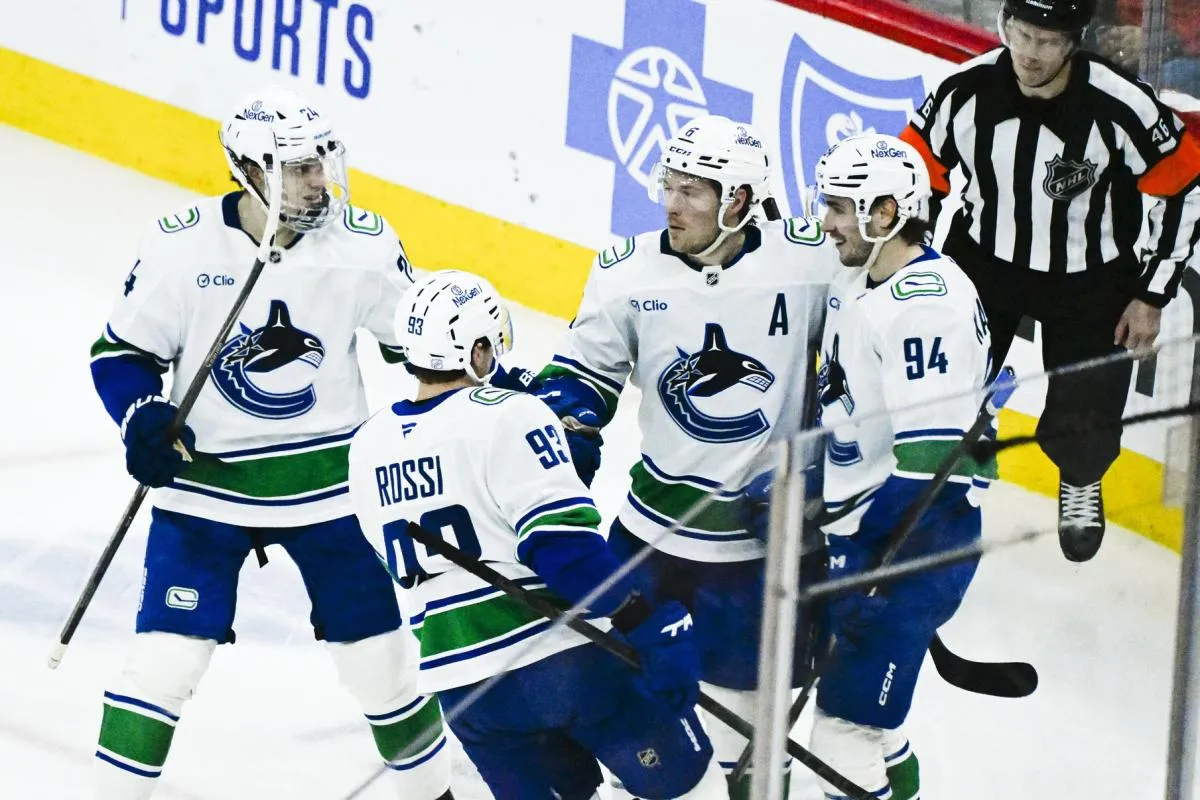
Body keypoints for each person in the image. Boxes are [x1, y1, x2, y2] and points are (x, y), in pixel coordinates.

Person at [88, 87, 452, 799]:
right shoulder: (182, 245)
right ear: (248, 172)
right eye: (297, 169)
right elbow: (120, 352)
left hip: (332, 491)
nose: (319, 181)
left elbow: (419, 342)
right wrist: (140, 417)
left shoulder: (364, 243)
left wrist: (477, 369)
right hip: (205, 490)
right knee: (163, 666)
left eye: (321, 163)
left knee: (382, 666)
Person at [534, 114, 840, 796]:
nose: (672, 203)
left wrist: (826, 475)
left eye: (694, 191)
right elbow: (582, 371)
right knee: (636, 729)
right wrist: (570, 421)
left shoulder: (809, 262)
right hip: (651, 543)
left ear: (739, 200)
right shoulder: (627, 270)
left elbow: (863, 370)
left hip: (762, 556)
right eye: (669, 185)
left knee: (748, 749)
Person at [347, 269, 728, 800]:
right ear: (476, 349)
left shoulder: (368, 445)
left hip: (466, 690)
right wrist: (644, 619)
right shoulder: (512, 415)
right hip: (568, 661)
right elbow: (562, 552)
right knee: (693, 789)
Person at [900, 0, 1200, 562]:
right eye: (1019, 33)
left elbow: (1186, 187)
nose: (1030, 54)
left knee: (1086, 407)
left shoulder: (1122, 105)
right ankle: (929, 477)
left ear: (1075, 41)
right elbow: (915, 171)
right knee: (943, 382)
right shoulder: (965, 90)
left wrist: (1151, 291)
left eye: (1047, 40)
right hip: (984, 260)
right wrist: (911, 264)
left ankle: (1081, 479)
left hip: (1090, 275)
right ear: (1003, 26)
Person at [808, 133, 993, 800]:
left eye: (837, 206)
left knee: (843, 729)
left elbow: (930, 463)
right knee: (873, 719)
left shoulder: (924, 306)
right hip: (870, 536)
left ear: (885, 212)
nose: (825, 222)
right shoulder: (863, 279)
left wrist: (873, 563)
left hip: (912, 544)